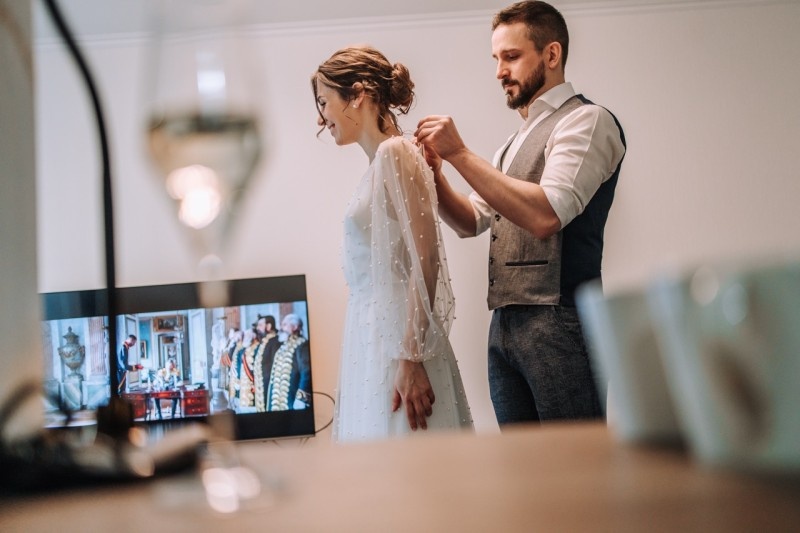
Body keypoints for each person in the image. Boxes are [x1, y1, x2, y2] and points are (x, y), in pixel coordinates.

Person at [415, 1, 626, 426]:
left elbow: (547, 214)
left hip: (561, 322)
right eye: (496, 59)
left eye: (511, 57)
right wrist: (437, 175)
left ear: (552, 54)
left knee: (573, 469)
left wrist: (459, 152)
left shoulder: (587, 121)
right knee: (523, 470)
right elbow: (470, 221)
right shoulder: (511, 144)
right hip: (504, 326)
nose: (499, 71)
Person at [312, 46, 472, 442]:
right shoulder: (378, 163)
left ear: (359, 94)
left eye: (324, 101)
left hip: (400, 343)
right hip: (371, 337)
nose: (320, 117)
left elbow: (427, 257)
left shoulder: (396, 152)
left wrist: (411, 357)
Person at [266, 314, 311, 411]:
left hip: (292, 401)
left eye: (285, 325)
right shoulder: (284, 345)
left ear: (295, 327)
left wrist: (301, 399)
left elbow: (306, 372)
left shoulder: (302, 344)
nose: (281, 328)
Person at [254, 314, 281, 412]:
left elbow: (276, 366)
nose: (257, 328)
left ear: (268, 326)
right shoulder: (264, 341)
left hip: (269, 387)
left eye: (260, 325)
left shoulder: (275, 342)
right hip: (261, 387)